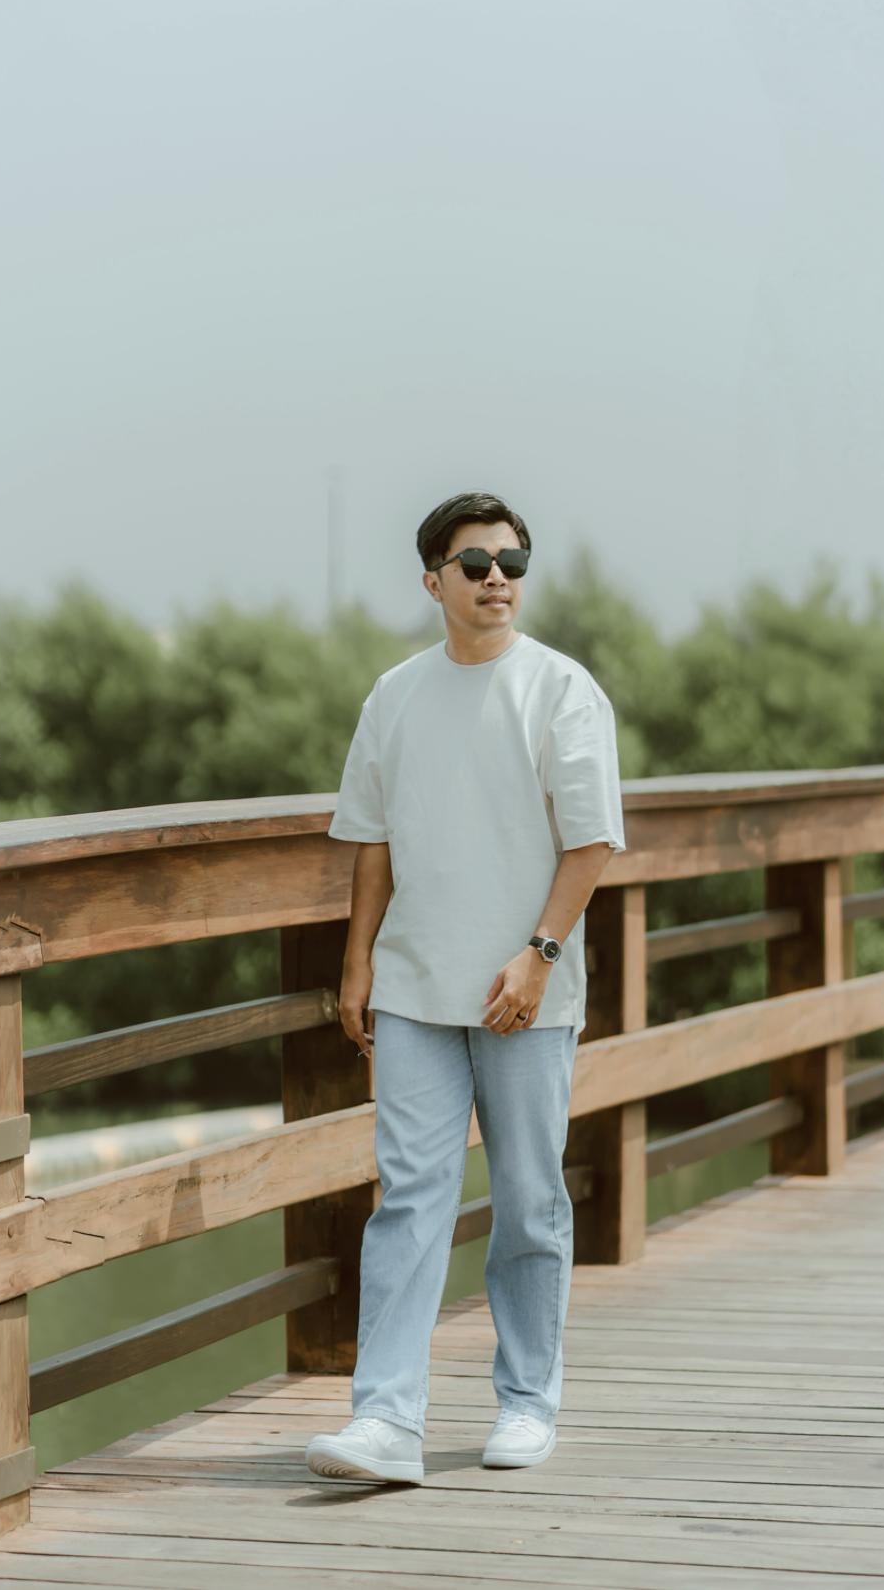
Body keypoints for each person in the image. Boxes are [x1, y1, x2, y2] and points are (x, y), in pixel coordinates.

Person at [304, 491, 626, 1486]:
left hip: (524, 993)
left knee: (528, 1199)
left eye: (512, 563)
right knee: (409, 1200)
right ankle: (385, 1421)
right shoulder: (395, 695)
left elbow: (591, 842)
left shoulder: (562, 690)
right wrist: (358, 961)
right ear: (433, 581)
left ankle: (527, 1402)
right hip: (414, 989)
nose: (497, 579)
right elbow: (372, 841)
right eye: (476, 563)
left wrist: (538, 957)